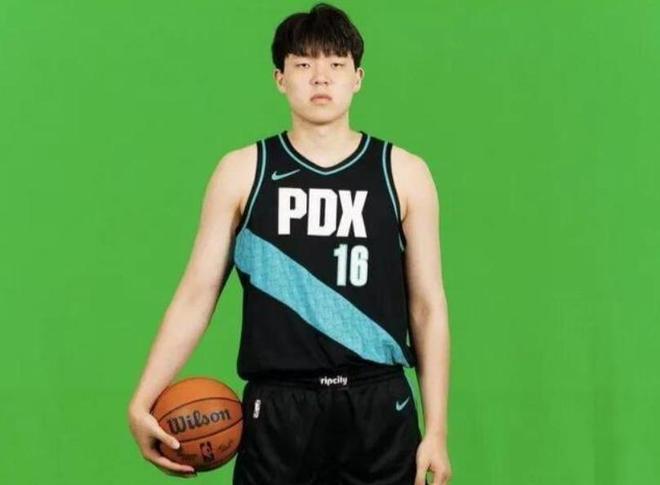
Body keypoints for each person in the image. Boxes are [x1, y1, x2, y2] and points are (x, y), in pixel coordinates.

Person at [127, 3, 451, 484]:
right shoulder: (242, 171)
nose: (321, 77)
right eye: (303, 64)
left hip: (378, 404)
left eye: (336, 63)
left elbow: (427, 306)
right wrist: (142, 399)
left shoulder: (404, 173)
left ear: (357, 78)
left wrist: (437, 429)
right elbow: (197, 294)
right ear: (280, 78)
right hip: (278, 409)